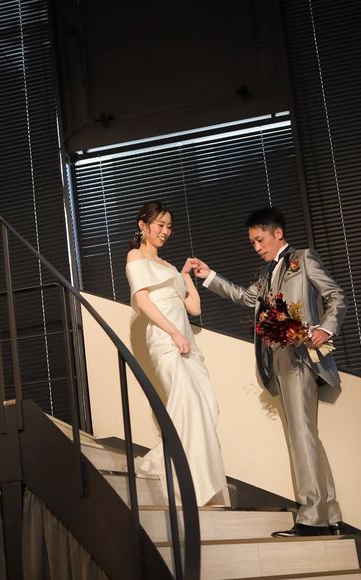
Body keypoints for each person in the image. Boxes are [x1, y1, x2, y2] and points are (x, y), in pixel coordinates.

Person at [193, 206, 347, 535]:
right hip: (278, 362)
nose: (256, 247)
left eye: (260, 240)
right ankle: (330, 513)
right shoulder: (265, 275)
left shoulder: (303, 259)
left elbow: (336, 295)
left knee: (301, 437)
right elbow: (244, 297)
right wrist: (208, 276)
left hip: (301, 357)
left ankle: (312, 517)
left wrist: (325, 328)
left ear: (278, 233)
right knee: (307, 436)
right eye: (252, 242)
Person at [125, 201, 229, 506]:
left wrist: (184, 275)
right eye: (160, 225)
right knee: (186, 403)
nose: (165, 231)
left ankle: (175, 469)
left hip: (186, 342)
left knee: (207, 405)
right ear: (143, 226)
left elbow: (194, 308)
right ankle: (186, 484)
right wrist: (173, 333)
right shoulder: (135, 256)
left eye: (169, 226)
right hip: (165, 338)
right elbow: (143, 302)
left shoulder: (168, 266)